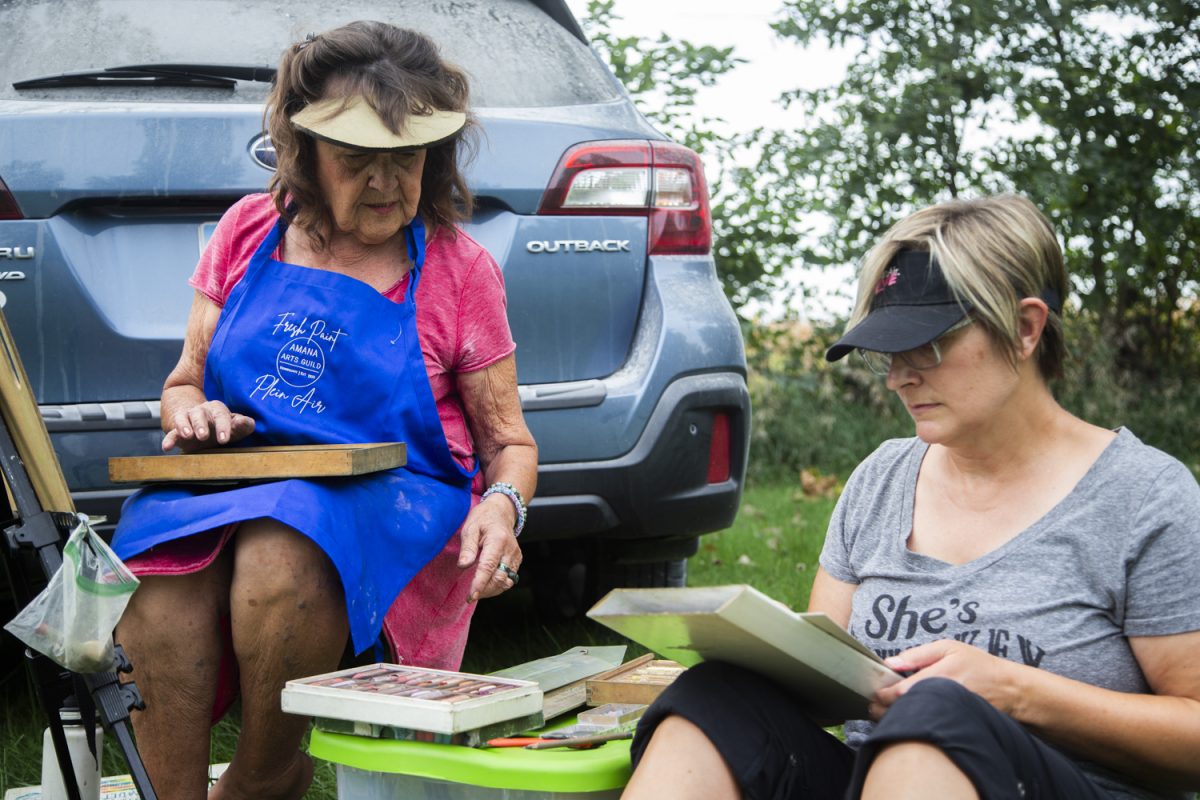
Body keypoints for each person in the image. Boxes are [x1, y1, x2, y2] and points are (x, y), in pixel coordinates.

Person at [621, 195, 1200, 800]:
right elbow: (824, 681)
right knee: (712, 699)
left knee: (935, 719)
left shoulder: (1142, 498)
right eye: (887, 351)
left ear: (1026, 328)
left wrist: (1017, 693)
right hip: (876, 780)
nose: (899, 376)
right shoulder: (882, 479)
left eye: (926, 345)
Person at [110, 21, 537, 800]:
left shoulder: (457, 271)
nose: (385, 183)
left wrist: (503, 506)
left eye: (404, 158)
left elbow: (510, 444)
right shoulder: (249, 232)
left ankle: (261, 783)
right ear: (304, 154)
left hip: (389, 501)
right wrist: (194, 410)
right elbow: (184, 380)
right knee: (158, 591)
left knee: (283, 554)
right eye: (356, 160)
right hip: (230, 481)